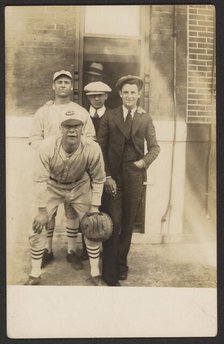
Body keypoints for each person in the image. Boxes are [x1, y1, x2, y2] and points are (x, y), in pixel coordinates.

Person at [25, 114, 106, 286]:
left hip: (79, 186)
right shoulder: (46, 147)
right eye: (67, 126)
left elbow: (99, 178)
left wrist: (95, 207)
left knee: (93, 225)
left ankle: (95, 273)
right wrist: (42, 211)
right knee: (37, 225)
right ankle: (35, 273)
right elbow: (39, 179)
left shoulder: (92, 147)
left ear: (82, 129)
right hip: (52, 185)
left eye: (76, 126)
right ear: (60, 129)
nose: (72, 130)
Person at [29, 70, 96, 268]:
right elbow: (33, 140)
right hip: (50, 171)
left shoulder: (80, 111)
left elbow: (90, 138)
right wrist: (52, 147)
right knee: (48, 214)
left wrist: (75, 151)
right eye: (60, 82)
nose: (63, 85)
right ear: (53, 86)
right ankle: (47, 250)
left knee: (72, 212)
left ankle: (72, 250)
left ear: (71, 87)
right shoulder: (44, 111)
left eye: (67, 82)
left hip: (74, 172)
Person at [97, 75, 160, 286]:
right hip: (114, 177)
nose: (130, 96)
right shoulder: (110, 116)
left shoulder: (144, 118)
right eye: (126, 92)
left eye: (133, 92)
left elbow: (155, 147)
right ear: (120, 94)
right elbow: (101, 148)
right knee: (113, 222)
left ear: (139, 94)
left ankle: (121, 265)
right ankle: (109, 271)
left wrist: (143, 163)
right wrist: (106, 176)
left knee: (127, 224)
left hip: (134, 175)